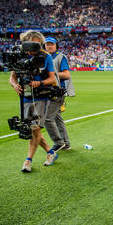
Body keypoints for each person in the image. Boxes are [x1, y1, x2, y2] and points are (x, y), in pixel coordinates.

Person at [8, 30, 58, 172]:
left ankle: (28, 160)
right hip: (25, 98)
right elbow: (12, 77)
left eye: (37, 44)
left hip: (41, 97)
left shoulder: (46, 57)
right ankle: (51, 152)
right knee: (31, 129)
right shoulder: (19, 56)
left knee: (35, 128)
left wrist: (39, 83)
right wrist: (14, 85)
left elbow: (52, 79)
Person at [44, 37, 74, 151]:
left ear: (56, 45)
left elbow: (67, 75)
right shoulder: (45, 57)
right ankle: (66, 144)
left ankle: (59, 142)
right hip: (47, 91)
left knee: (47, 118)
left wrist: (52, 74)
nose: (49, 46)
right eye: (47, 44)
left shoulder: (60, 57)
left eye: (51, 44)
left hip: (57, 91)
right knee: (57, 118)